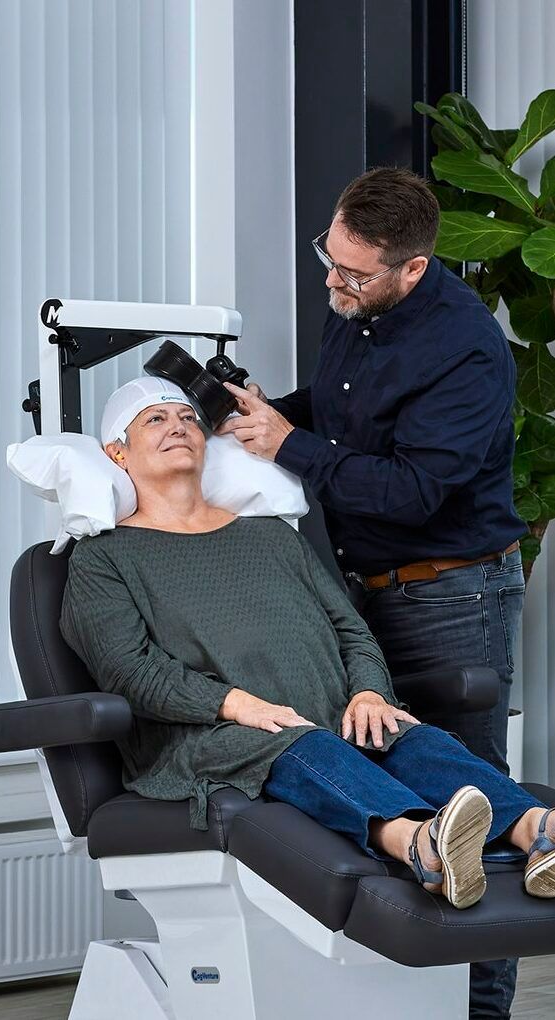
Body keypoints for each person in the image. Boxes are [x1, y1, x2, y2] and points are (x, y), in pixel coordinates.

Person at [59, 379, 555, 917]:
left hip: (327, 719)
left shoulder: (271, 536)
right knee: (300, 743)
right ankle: (421, 845)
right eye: (155, 419)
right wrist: (235, 704)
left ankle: (540, 832)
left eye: (188, 418)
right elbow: (132, 672)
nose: (179, 426)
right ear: (117, 453)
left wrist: (368, 691)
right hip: (211, 739)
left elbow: (351, 629)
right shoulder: (102, 560)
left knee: (410, 739)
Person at [215, 167, 528, 1015]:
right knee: (380, 770)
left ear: (413, 267)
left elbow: (411, 491)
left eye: (352, 273)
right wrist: (266, 416)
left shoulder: (465, 351)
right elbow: (345, 405)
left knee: (472, 799)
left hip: (449, 593)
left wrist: (288, 448)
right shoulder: (360, 301)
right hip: (365, 590)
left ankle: (479, 1013)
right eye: (329, 256)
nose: (331, 281)